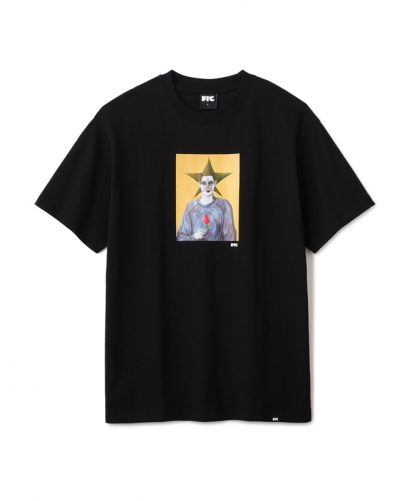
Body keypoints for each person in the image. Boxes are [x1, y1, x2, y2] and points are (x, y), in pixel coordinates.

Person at [176, 159, 237, 241]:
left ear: (215, 183)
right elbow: (180, 237)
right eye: (204, 183)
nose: (207, 187)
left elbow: (230, 237)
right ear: (199, 184)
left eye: (210, 183)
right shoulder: (190, 207)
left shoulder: (224, 205)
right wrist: (194, 237)